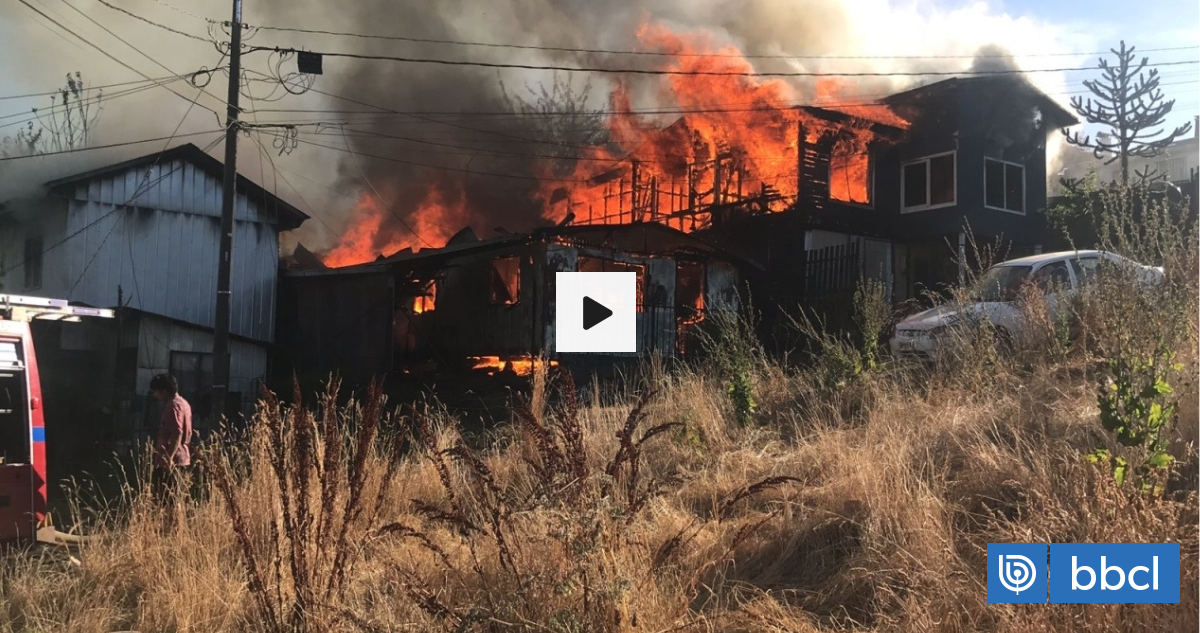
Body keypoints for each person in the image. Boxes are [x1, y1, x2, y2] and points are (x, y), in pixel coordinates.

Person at [149, 373, 193, 506]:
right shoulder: (184, 403)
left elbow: (177, 432)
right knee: (175, 500)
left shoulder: (172, 406)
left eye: (156, 391)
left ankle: (170, 526)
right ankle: (176, 526)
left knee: (166, 502)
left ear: (164, 391)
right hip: (182, 457)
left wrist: (168, 458)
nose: (155, 395)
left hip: (170, 460)